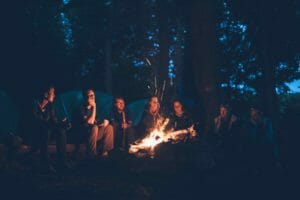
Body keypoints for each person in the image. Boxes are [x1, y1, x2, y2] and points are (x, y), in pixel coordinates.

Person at [32, 86, 70, 171]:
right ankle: (45, 162)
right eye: (53, 93)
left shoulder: (50, 106)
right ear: (46, 94)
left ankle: (62, 161)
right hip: (34, 133)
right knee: (45, 129)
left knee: (61, 130)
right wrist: (49, 124)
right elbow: (35, 122)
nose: (54, 95)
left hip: (46, 131)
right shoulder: (34, 104)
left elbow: (54, 121)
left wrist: (63, 124)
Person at [72, 89, 114, 157]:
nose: (93, 97)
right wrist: (94, 106)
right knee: (94, 127)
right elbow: (90, 123)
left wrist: (104, 122)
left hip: (92, 134)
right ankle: (92, 154)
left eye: (93, 95)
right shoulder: (80, 108)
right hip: (81, 135)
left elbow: (95, 121)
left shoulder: (92, 109)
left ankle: (105, 152)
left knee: (109, 127)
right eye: (90, 95)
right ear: (86, 97)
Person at [243, 105, 279, 173]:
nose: (253, 115)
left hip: (266, 155)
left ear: (260, 113)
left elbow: (270, 139)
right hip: (253, 156)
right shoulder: (249, 124)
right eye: (252, 113)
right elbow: (250, 140)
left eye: (255, 113)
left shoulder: (267, 122)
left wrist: (276, 158)